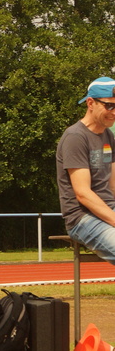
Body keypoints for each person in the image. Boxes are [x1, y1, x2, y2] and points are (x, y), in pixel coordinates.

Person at [56, 75, 115, 262]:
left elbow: (113, 185)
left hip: (108, 209)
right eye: (110, 106)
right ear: (90, 103)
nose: (114, 112)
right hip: (82, 218)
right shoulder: (75, 137)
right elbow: (82, 193)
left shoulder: (109, 135)